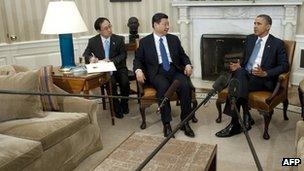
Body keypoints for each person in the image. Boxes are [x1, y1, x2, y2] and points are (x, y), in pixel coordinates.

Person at [215, 14, 289, 137]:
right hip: (246, 75)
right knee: (239, 76)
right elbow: (245, 60)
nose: (255, 26)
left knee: (236, 82)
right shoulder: (250, 39)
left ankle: (236, 123)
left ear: (268, 26)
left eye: (259, 24)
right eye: (254, 23)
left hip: (263, 79)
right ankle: (244, 118)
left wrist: (265, 73)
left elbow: (284, 66)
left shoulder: (277, 43)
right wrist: (239, 66)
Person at [133, 13, 195, 138]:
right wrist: (138, 70)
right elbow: (138, 60)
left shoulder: (174, 39)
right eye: (165, 24)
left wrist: (188, 64)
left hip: (174, 69)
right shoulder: (145, 42)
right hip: (157, 72)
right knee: (164, 87)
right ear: (155, 25)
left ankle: (185, 121)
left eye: (168, 24)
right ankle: (166, 124)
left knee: (185, 85)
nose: (168, 27)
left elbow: (183, 55)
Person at [83, 17, 130, 119]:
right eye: (106, 28)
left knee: (125, 82)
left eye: (110, 26)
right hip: (105, 70)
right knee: (111, 83)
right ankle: (116, 106)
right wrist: (91, 58)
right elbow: (86, 54)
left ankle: (124, 102)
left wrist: (111, 61)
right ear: (99, 31)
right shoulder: (93, 41)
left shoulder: (118, 39)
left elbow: (123, 55)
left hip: (119, 68)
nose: (109, 29)